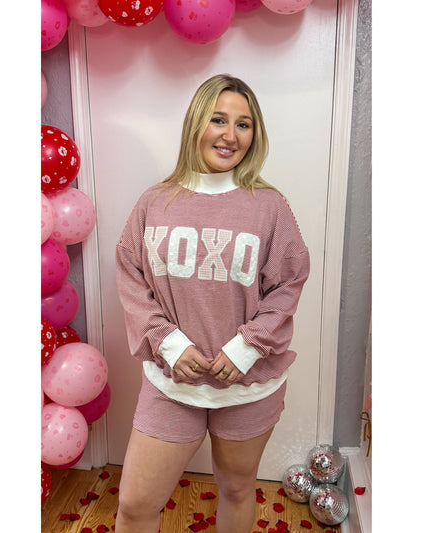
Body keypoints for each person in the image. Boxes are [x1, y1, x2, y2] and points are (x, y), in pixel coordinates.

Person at [114, 74, 310, 533]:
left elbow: (289, 283)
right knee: (136, 504)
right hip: (170, 381)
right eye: (218, 120)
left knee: (237, 490)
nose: (230, 135)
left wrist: (246, 347)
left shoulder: (270, 207)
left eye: (244, 124)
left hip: (248, 385)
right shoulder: (154, 202)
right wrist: (168, 343)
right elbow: (130, 276)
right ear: (196, 124)